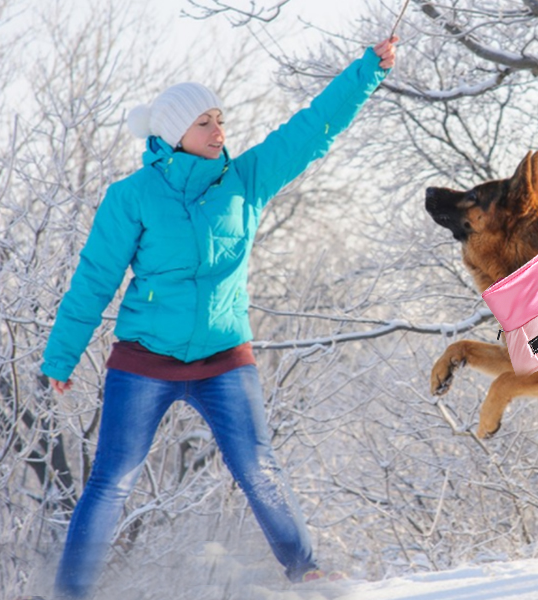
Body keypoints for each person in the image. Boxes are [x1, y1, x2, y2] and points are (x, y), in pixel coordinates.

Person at [40, 37, 397, 599]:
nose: (218, 131)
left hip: (224, 358)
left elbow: (312, 129)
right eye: (205, 122)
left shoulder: (245, 182)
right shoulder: (131, 196)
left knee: (259, 466)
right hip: (144, 361)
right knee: (112, 480)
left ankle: (305, 569)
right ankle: (68, 592)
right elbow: (94, 280)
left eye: (220, 120)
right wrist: (61, 356)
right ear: (174, 134)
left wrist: (367, 72)